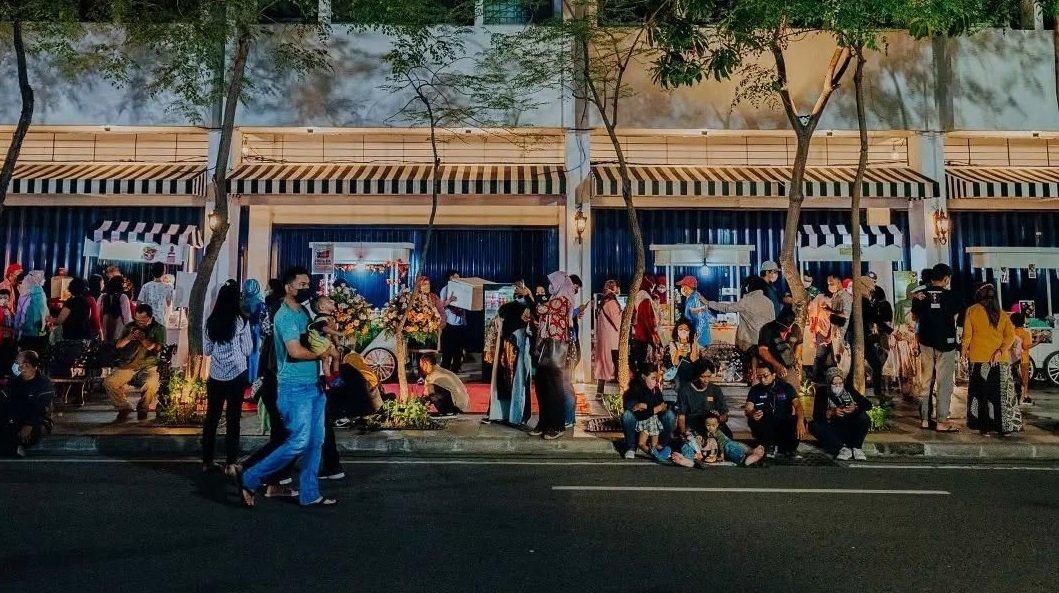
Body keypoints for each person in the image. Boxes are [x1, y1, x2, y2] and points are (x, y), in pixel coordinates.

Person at [237, 266, 338, 508]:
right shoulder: (284, 315)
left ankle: (309, 493)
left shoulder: (303, 312)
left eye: (307, 284)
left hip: (314, 385)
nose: (306, 288)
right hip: (294, 387)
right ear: (288, 287)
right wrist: (323, 354)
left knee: (316, 441)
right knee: (299, 441)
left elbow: (314, 338)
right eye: (301, 284)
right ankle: (249, 478)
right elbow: (295, 351)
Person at [239, 279, 298, 499]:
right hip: (280, 383)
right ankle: (249, 470)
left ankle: (268, 478)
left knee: (282, 435)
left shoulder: (270, 315)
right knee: (288, 437)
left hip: (272, 380)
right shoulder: (281, 320)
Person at [201, 280, 252, 474]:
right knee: (233, 418)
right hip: (237, 373)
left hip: (216, 374)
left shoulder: (210, 322)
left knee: (212, 418)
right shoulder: (241, 321)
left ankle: (207, 461)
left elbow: (207, 350)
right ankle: (231, 463)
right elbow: (247, 350)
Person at [962, 283, 1020, 437]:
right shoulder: (1002, 314)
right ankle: (1004, 428)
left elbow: (967, 335)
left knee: (981, 394)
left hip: (978, 358)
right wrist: (1000, 350)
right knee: (1002, 395)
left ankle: (984, 428)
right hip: (1000, 360)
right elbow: (1010, 336)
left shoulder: (972, 310)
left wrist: (963, 352)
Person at [911, 264, 961, 432]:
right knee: (944, 383)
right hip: (946, 343)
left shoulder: (920, 295)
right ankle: (941, 421)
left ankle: (925, 419)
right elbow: (956, 316)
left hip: (926, 341)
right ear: (946, 278)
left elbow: (915, 317)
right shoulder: (952, 296)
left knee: (926, 380)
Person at [530, 271, 575, 440]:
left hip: (555, 347)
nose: (550, 286)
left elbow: (541, 309)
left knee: (554, 388)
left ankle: (557, 425)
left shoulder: (562, 300)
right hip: (546, 346)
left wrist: (528, 295)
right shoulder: (554, 299)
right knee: (542, 386)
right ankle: (544, 423)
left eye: (552, 282)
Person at [104, 303, 167, 422]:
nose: (139, 323)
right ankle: (124, 407)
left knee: (152, 383)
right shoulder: (129, 327)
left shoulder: (159, 328)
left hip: (148, 365)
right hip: (129, 365)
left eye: (142, 321)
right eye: (137, 320)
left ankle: (143, 408)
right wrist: (129, 338)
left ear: (150, 318)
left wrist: (143, 339)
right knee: (109, 382)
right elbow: (118, 345)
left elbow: (157, 348)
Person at [707, 275, 775, 385]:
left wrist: (709, 303)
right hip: (766, 342)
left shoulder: (747, 301)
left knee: (750, 366)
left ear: (748, 287)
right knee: (763, 366)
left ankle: (752, 382)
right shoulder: (769, 302)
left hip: (750, 341)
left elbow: (727, 308)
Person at [0, 351, 54, 457]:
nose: (15, 365)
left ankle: (14, 447)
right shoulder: (15, 382)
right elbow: (7, 402)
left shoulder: (44, 384)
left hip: (37, 422)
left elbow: (41, 408)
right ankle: (14, 448)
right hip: (16, 420)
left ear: (27, 365)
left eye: (17, 363)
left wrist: (29, 425)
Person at [812, 367, 872, 461]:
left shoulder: (848, 389)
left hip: (848, 426)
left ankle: (857, 447)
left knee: (864, 418)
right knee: (814, 425)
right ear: (829, 383)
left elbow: (868, 404)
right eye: (834, 383)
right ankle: (842, 449)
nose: (838, 386)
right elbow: (816, 415)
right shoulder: (822, 392)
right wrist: (831, 412)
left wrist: (855, 407)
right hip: (833, 428)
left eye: (840, 383)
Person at [743, 364, 800, 458]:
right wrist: (752, 413)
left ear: (773, 375)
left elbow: (798, 405)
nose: (762, 379)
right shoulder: (755, 390)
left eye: (765, 376)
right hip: (764, 424)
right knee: (755, 419)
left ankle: (789, 448)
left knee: (798, 420)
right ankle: (767, 445)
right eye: (759, 377)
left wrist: (800, 421)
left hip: (782, 423)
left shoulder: (786, 387)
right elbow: (748, 408)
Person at [674, 413, 765, 468]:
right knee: (687, 445)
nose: (710, 428)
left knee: (730, 446)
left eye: (713, 425)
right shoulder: (698, 432)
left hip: (716, 452)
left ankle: (745, 458)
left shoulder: (718, 433)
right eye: (708, 425)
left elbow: (725, 443)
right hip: (700, 453)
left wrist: (721, 454)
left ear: (717, 425)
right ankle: (688, 460)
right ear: (704, 425)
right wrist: (698, 450)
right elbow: (693, 442)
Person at [675, 359, 730, 438]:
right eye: (703, 377)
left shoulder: (715, 389)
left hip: (712, 426)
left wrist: (718, 418)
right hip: (693, 426)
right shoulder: (685, 390)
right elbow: (681, 417)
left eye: (709, 376)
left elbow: (725, 414)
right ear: (696, 375)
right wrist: (683, 433)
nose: (706, 380)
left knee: (728, 435)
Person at [860, 273, 894, 397]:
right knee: (874, 364)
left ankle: (877, 392)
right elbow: (875, 318)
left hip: (865, 337)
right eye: (870, 289)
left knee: (876, 364)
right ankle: (876, 393)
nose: (871, 292)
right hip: (861, 338)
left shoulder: (864, 301)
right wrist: (890, 330)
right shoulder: (863, 302)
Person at [756, 306, 803, 386]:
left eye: (784, 326)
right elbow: (762, 350)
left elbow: (799, 345)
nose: (781, 328)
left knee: (793, 386)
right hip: (769, 365)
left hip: (788, 364)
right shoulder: (767, 328)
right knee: (765, 384)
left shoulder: (796, 329)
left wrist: (796, 362)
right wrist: (777, 365)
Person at [593, 279, 622, 399]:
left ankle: (599, 392)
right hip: (612, 339)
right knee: (616, 362)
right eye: (617, 287)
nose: (619, 289)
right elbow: (618, 321)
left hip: (604, 338)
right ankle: (620, 393)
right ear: (613, 288)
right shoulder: (612, 303)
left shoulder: (603, 301)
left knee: (603, 363)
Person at [630, 367, 668, 459]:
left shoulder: (656, 390)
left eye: (656, 379)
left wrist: (647, 407)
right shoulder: (638, 389)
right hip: (643, 420)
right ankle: (654, 453)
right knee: (641, 443)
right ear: (644, 377)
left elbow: (662, 406)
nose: (655, 381)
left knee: (654, 444)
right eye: (653, 378)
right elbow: (637, 407)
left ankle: (657, 452)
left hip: (653, 420)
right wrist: (654, 408)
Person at [419, 353, 469, 417]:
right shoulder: (441, 370)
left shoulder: (434, 375)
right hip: (462, 405)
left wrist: (418, 406)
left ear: (425, 363)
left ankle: (448, 411)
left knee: (430, 389)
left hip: (456, 407)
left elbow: (426, 394)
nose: (420, 367)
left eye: (421, 365)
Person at [438, 270, 469, 373]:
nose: (458, 279)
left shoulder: (462, 289)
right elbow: (441, 305)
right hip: (449, 322)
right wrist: (449, 301)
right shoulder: (445, 289)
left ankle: (456, 367)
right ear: (450, 278)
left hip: (460, 322)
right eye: (455, 277)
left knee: (459, 348)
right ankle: (445, 368)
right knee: (448, 348)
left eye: (459, 277)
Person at [15, 271, 48, 356]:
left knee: (26, 357)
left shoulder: (24, 295)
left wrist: (17, 331)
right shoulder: (42, 293)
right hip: (40, 332)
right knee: (36, 356)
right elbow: (45, 312)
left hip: (27, 333)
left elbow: (19, 315)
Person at [241, 279, 267, 385]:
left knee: (247, 353)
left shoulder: (242, 302)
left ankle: (247, 379)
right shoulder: (261, 302)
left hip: (245, 330)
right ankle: (254, 378)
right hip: (257, 331)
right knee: (255, 354)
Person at [631, 277, 661, 368]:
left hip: (639, 332)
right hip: (644, 334)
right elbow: (647, 318)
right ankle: (643, 374)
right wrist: (653, 333)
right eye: (652, 286)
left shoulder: (638, 296)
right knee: (643, 358)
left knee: (640, 357)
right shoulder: (645, 298)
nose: (652, 289)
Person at [665, 319, 700, 393]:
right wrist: (678, 352)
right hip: (679, 376)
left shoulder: (693, 343)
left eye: (686, 329)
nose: (683, 331)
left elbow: (694, 359)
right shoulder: (673, 344)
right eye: (680, 329)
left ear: (689, 331)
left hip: (691, 374)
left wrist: (694, 344)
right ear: (676, 331)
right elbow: (675, 363)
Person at [678, 275, 712, 348]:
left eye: (683, 286)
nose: (682, 289)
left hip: (699, 337)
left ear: (689, 287)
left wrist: (697, 335)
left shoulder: (695, 297)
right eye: (682, 286)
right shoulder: (689, 298)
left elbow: (700, 317)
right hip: (695, 334)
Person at [137, 262, 173, 326]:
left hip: (147, 320)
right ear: (164, 272)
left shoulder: (146, 286)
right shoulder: (168, 287)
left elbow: (138, 303)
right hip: (160, 321)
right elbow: (168, 304)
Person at [1010, 312, 1034, 405]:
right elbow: (1025, 347)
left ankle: (1016, 396)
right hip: (1024, 358)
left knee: (1015, 378)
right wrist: (1037, 342)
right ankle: (1024, 397)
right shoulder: (1025, 333)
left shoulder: (1011, 332)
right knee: (1024, 379)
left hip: (1013, 359)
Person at [100, 275, 133, 342]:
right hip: (118, 331)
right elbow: (127, 318)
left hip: (105, 331)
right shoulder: (123, 297)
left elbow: (99, 314)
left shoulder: (103, 297)